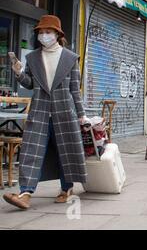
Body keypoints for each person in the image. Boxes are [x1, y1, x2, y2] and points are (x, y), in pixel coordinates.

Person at [3, 15, 88, 210]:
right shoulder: (32, 57)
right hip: (40, 112)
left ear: (57, 34)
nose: (44, 35)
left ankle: (66, 189)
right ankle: (25, 193)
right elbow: (31, 84)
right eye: (41, 32)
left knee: (64, 151)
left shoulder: (70, 58)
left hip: (65, 112)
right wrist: (18, 73)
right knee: (31, 150)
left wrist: (82, 115)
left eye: (48, 32)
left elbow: (75, 90)